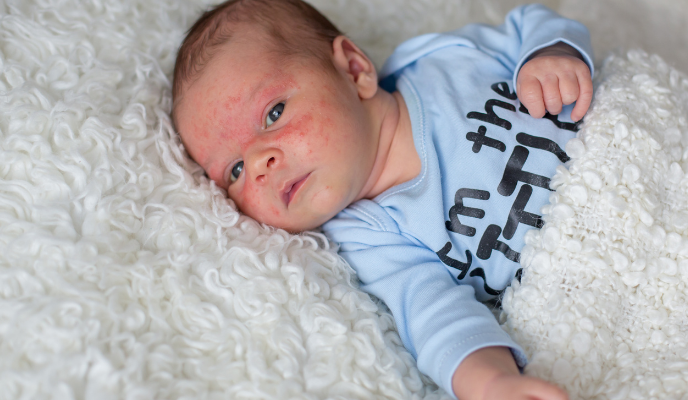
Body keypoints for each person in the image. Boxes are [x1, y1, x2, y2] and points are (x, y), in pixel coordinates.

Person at [171, 1, 593, 399]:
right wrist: (491, 382)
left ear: (354, 71)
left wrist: (552, 53)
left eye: (273, 113)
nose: (260, 163)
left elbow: (528, 24)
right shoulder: (368, 235)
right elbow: (434, 315)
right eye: (235, 171)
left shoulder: (439, 61)